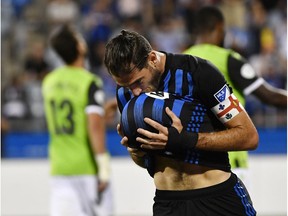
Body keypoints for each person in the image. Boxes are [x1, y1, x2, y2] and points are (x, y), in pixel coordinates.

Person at [104, 29, 258, 216]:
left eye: (138, 82)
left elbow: (249, 136)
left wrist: (186, 140)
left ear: (152, 58)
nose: (134, 92)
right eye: (126, 85)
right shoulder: (124, 94)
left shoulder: (198, 72)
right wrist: (136, 150)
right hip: (168, 205)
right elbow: (147, 163)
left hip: (217, 200)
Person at [183, 5, 287, 187]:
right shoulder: (228, 58)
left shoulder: (180, 60)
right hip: (229, 159)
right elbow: (269, 96)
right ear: (219, 27)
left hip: (189, 161)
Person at [42, 24, 112, 216]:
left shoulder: (49, 82)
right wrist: (103, 168)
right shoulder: (89, 82)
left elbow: (71, 116)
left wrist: (102, 111)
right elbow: (94, 126)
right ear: (79, 47)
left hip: (59, 167)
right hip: (86, 168)